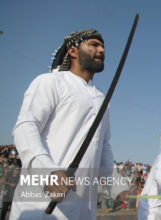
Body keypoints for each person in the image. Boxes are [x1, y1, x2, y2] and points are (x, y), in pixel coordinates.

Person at [10, 29, 129, 219]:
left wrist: (116, 186)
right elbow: (26, 126)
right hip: (41, 203)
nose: (102, 50)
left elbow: (103, 147)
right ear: (73, 51)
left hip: (83, 209)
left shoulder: (101, 99)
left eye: (103, 47)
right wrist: (48, 171)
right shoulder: (50, 82)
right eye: (94, 45)